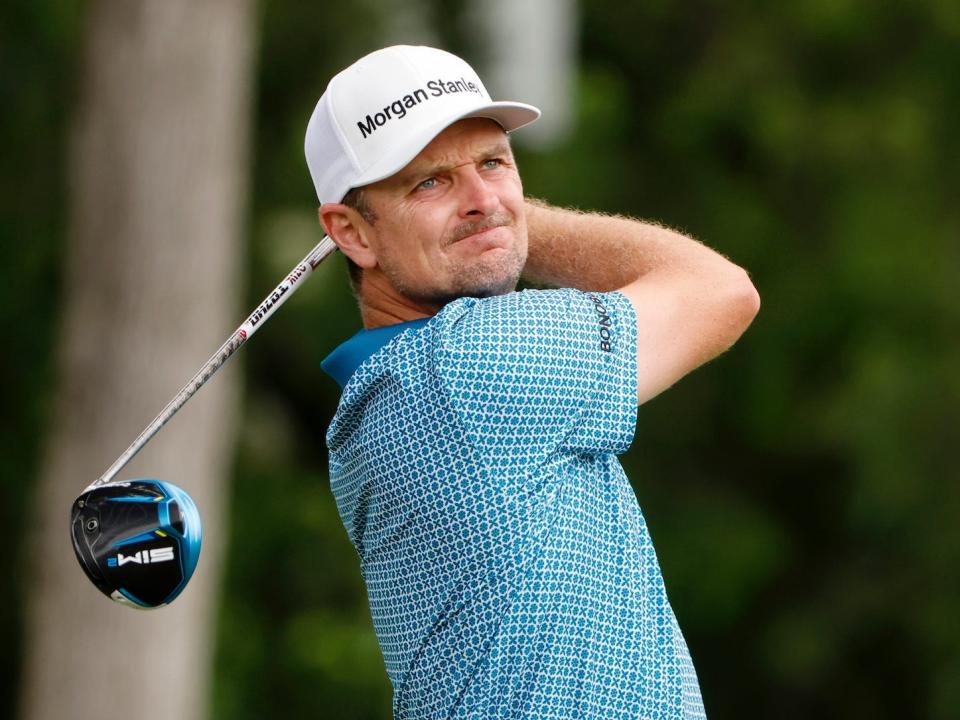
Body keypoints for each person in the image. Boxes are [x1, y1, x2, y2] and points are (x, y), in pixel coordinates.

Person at [306, 45, 759, 719]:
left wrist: (477, 218)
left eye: (493, 161)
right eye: (428, 183)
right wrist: (510, 222)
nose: (481, 198)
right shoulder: (471, 361)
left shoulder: (383, 390)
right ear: (351, 233)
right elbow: (721, 291)